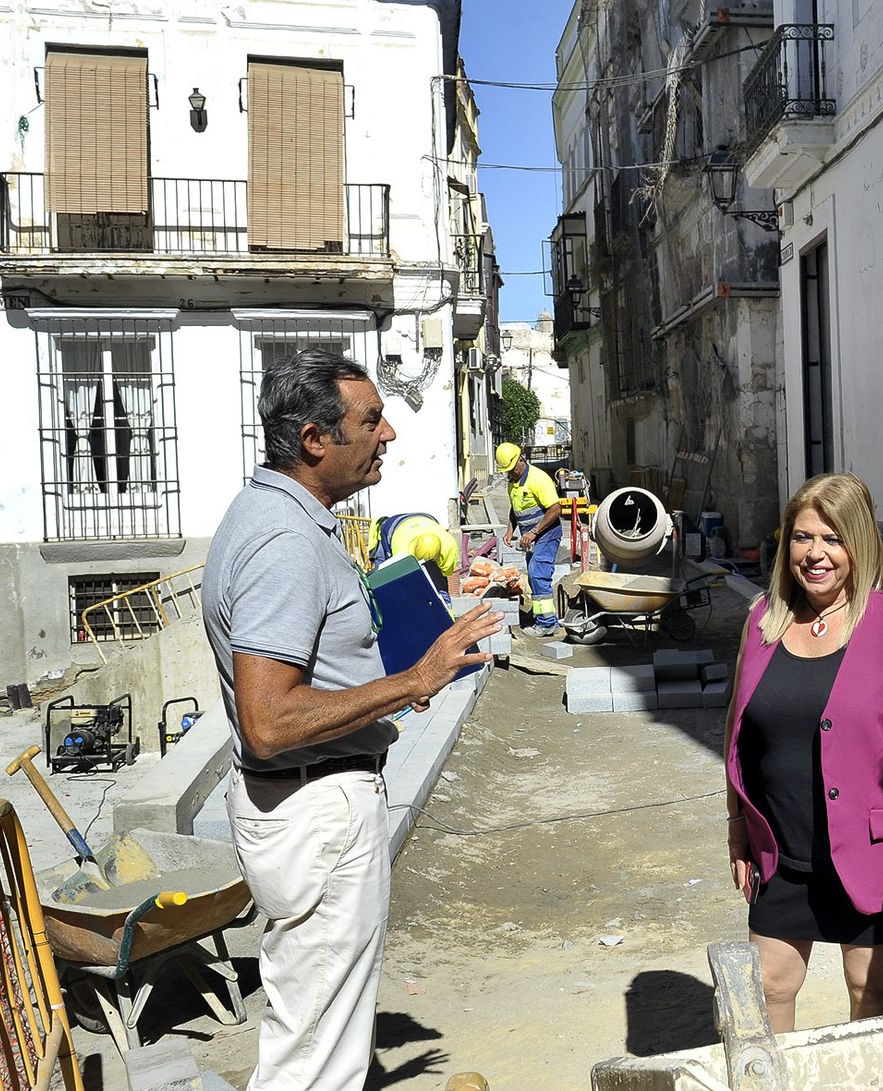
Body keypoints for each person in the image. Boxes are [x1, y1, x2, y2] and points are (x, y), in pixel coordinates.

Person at [203, 348, 504, 1089]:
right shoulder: (284, 541)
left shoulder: (280, 516)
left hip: (307, 801)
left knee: (314, 1029)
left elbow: (306, 680)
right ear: (314, 440)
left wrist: (392, 685)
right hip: (317, 810)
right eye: (371, 421)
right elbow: (269, 716)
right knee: (313, 1059)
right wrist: (410, 681)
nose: (390, 434)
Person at [723, 472, 883, 1032]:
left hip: (868, 852)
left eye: (832, 538)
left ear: (859, 544)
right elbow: (738, 730)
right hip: (781, 847)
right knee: (770, 986)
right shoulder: (762, 623)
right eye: (802, 538)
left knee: (869, 992)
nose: (815, 554)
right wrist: (737, 828)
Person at [496, 441, 563, 637]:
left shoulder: (538, 479)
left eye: (512, 468)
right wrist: (510, 531)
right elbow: (514, 509)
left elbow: (555, 509)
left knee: (537, 573)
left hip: (546, 534)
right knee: (534, 577)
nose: (510, 472)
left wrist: (533, 533)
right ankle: (542, 615)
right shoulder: (513, 482)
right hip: (530, 538)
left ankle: (547, 623)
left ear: (521, 460)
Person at [368, 511, 461, 598]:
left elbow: (443, 577)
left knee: (438, 584)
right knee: (383, 581)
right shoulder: (400, 549)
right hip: (392, 526)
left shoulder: (450, 547)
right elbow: (402, 578)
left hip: (427, 519)